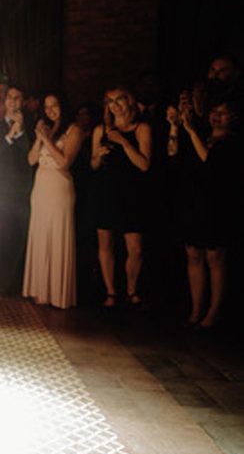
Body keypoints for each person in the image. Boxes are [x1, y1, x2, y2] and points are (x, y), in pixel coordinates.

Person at [169, 97, 241, 329]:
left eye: (222, 112)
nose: (216, 116)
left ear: (233, 117)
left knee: (214, 257)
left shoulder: (233, 142)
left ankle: (214, 310)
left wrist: (190, 131)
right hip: (194, 202)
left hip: (218, 205)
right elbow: (175, 156)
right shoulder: (202, 135)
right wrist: (176, 127)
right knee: (193, 254)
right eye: (214, 111)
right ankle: (196, 308)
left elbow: (211, 163)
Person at [90, 86, 152, 307]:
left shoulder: (141, 128)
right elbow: (93, 165)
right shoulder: (101, 130)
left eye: (119, 100)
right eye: (110, 101)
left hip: (131, 194)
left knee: (135, 249)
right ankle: (111, 292)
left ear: (129, 102)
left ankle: (131, 290)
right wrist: (97, 156)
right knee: (105, 244)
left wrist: (123, 142)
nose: (114, 105)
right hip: (106, 192)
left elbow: (144, 165)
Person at [22, 94, 82, 308]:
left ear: (62, 105)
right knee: (40, 235)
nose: (50, 110)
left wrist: (47, 139)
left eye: (54, 105)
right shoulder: (47, 129)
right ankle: (40, 290)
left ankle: (58, 294)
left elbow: (64, 162)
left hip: (59, 187)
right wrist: (39, 138)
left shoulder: (74, 130)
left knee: (57, 235)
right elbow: (31, 160)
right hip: (40, 187)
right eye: (46, 107)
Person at [0, 85, 34, 295]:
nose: (12, 101)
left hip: (25, 191)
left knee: (23, 236)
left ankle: (24, 282)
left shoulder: (31, 129)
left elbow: (31, 159)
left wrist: (21, 132)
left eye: (17, 97)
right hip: (0, 193)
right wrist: (10, 136)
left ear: (23, 102)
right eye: (9, 97)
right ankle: (6, 284)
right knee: (3, 238)